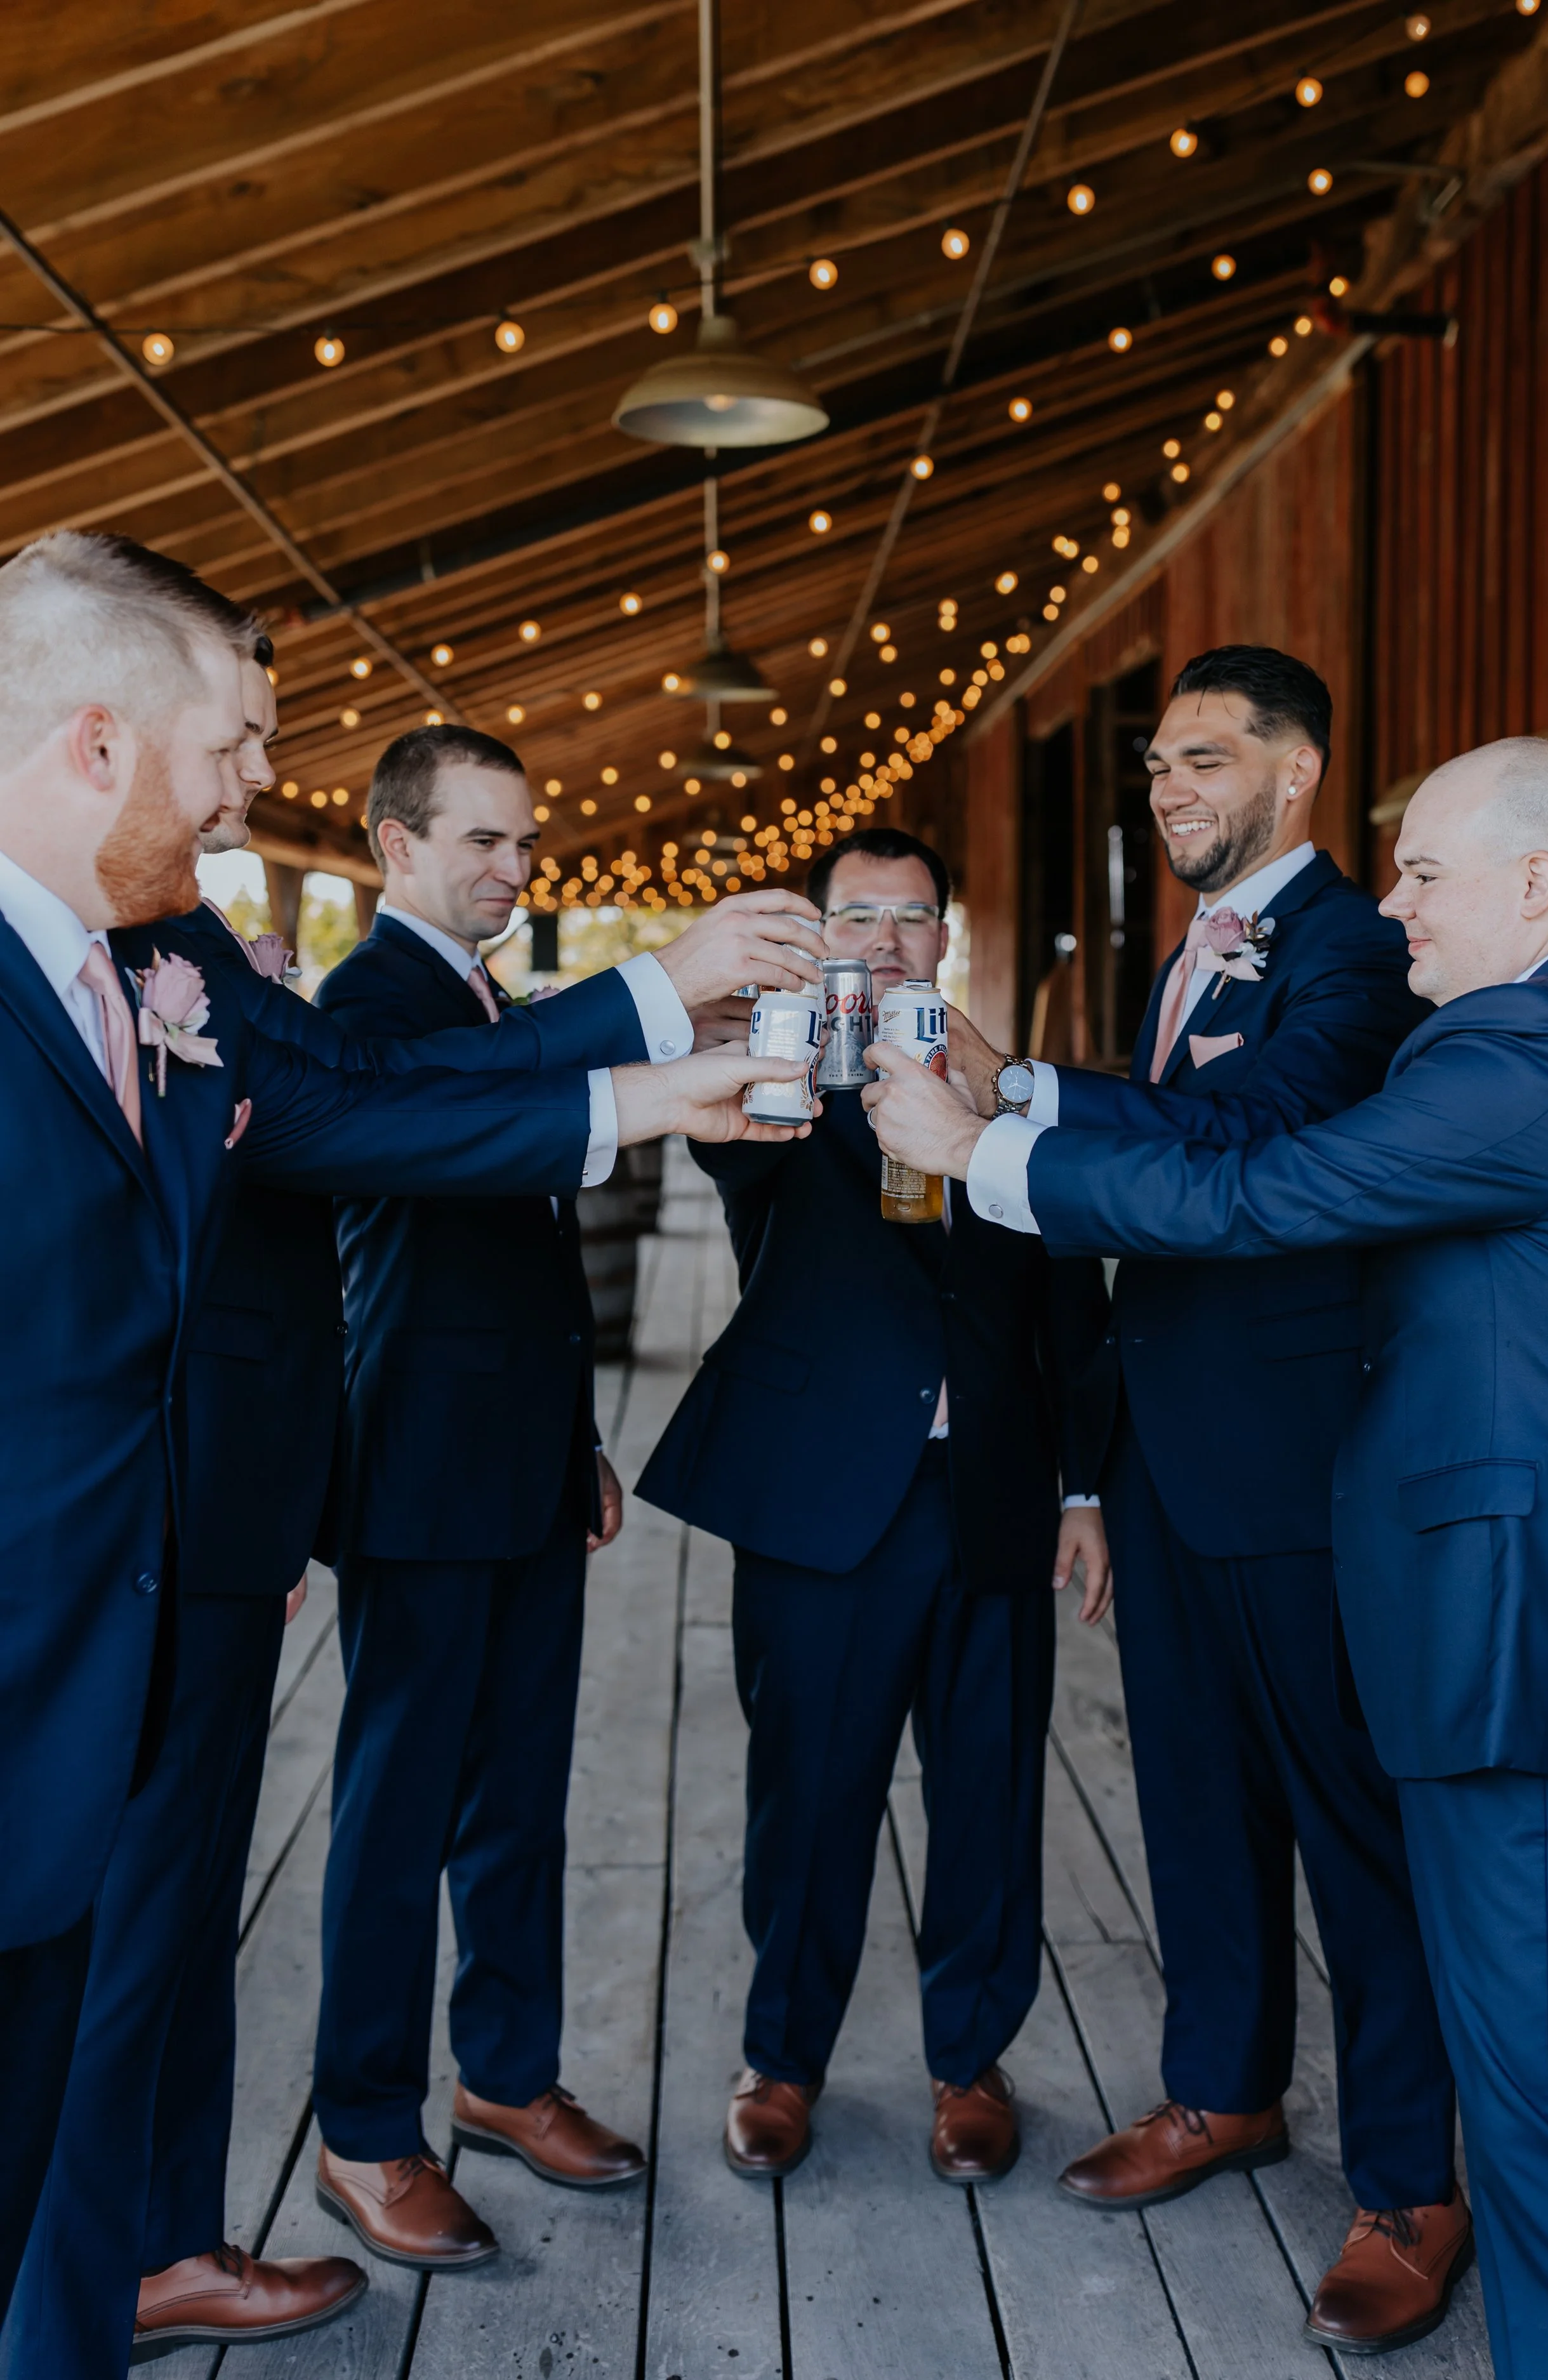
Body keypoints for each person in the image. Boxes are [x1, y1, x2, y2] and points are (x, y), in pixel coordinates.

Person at [0, 527, 809, 2337]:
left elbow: (331, 1097)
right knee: (118, 1956)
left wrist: (655, 1057)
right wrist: (656, 1038)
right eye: (236, 744)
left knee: (156, 1945)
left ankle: (147, 2241)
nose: (257, 785)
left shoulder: (164, 943)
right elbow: (351, 1106)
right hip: (94, 1581)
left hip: (199, 1538)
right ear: (103, 740)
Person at [865, 735, 1548, 2380]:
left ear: (1534, 884)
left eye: (1424, 869)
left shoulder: (1524, 1046)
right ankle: (1230, 2085)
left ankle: (1418, 2197)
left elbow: (1273, 1174)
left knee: (1534, 2098)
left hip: (1497, 1619)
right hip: (1288, 1496)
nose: (1393, 898)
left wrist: (983, 1144)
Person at [946, 647, 1464, 2353]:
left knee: (1351, 1826)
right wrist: (1093, 1470)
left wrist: (1014, 1101)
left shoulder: (1356, 954)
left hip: (1305, 1462)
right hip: (1165, 1456)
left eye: (1202, 755)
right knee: (1188, 1792)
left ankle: (1408, 2180)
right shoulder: (1194, 947)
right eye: (1155, 759)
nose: (1164, 782)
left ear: (1296, 770)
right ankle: (1220, 2088)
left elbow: (1246, 1131)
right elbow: (1154, 1212)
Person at [308, 723, 782, 2267]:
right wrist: (659, 1005)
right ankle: (364, 2132)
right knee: (394, 1813)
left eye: (523, 843)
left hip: (521, 1459)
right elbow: (457, 1128)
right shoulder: (365, 1007)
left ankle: (504, 2076)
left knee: (520, 1794)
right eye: (481, 841)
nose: (513, 869)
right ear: (392, 845)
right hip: (415, 1472)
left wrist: (576, 1436)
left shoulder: (485, 998)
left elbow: (518, 1259)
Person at [639, 828, 1113, 2183]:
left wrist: (1080, 1483)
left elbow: (1066, 1290)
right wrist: (777, 1043)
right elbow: (729, 1146)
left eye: (912, 920)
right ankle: (780, 2057)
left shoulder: (1002, 1082)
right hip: (823, 1494)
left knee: (986, 1790)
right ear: (823, 934)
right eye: (859, 916)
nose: (887, 940)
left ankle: (969, 2060)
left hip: (990, 1492)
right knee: (810, 1794)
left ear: (940, 939)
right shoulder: (779, 1085)